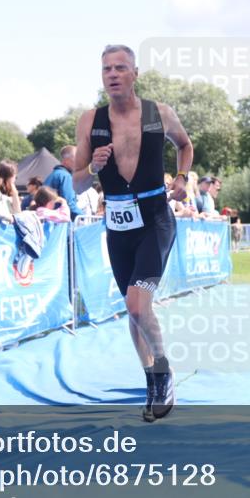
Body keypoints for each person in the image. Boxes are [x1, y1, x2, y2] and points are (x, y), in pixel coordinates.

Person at [72, 44, 193, 422]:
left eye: (120, 67)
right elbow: (76, 185)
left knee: (138, 304)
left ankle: (163, 371)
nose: (112, 74)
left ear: (135, 73)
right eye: (106, 68)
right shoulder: (90, 121)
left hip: (156, 217)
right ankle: (152, 378)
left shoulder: (160, 113)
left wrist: (183, 177)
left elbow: (185, 146)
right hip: (118, 225)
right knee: (133, 309)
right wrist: (91, 166)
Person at [44, 145, 82, 220]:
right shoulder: (65, 176)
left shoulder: (53, 175)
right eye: (76, 158)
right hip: (60, 225)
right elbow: (70, 204)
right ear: (66, 160)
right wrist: (84, 217)